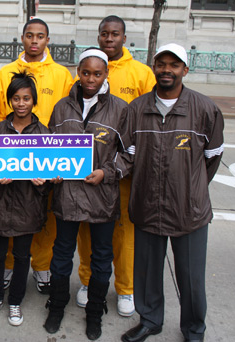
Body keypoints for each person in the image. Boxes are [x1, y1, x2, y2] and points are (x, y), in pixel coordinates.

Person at [120, 43, 224, 342]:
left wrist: (191, 189)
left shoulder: (205, 109)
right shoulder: (137, 109)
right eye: (161, 64)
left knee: (191, 278)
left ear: (185, 70)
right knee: (147, 272)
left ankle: (194, 329)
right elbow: (127, 154)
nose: (167, 69)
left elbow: (213, 157)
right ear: (154, 67)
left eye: (174, 65)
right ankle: (150, 320)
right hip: (146, 205)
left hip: (189, 211)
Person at [43, 48, 127, 340]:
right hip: (67, 196)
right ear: (78, 72)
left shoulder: (120, 109)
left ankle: (94, 312)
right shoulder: (62, 107)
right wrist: (51, 168)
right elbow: (50, 147)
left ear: (106, 74)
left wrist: (106, 172)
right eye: (85, 72)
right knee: (62, 254)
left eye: (97, 73)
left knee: (102, 257)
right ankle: (56, 306)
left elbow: (129, 154)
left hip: (102, 198)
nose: (90, 79)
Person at [75, 15, 157, 316]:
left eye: (115, 34)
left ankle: (125, 288)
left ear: (124, 38)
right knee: (87, 229)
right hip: (87, 172)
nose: (109, 39)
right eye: (104, 34)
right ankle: (86, 281)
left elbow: (149, 118)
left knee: (123, 233)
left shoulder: (141, 73)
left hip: (123, 172)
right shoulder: (87, 71)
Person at [0, 17, 73, 294]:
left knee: (41, 217)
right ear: (23, 38)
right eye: (30, 35)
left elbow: (67, 115)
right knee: (6, 212)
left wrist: (60, 159)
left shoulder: (62, 74)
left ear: (47, 40)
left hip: (43, 158)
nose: (35, 41)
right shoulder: (5, 73)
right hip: (8, 153)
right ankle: (7, 268)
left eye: (40, 36)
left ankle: (41, 267)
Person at [0, 71, 50, 326]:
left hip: (28, 207)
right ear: (9, 101)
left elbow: (54, 172)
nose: (21, 104)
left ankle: (15, 303)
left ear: (34, 101)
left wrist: (44, 181)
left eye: (27, 98)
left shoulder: (44, 133)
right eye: (16, 99)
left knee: (22, 257)